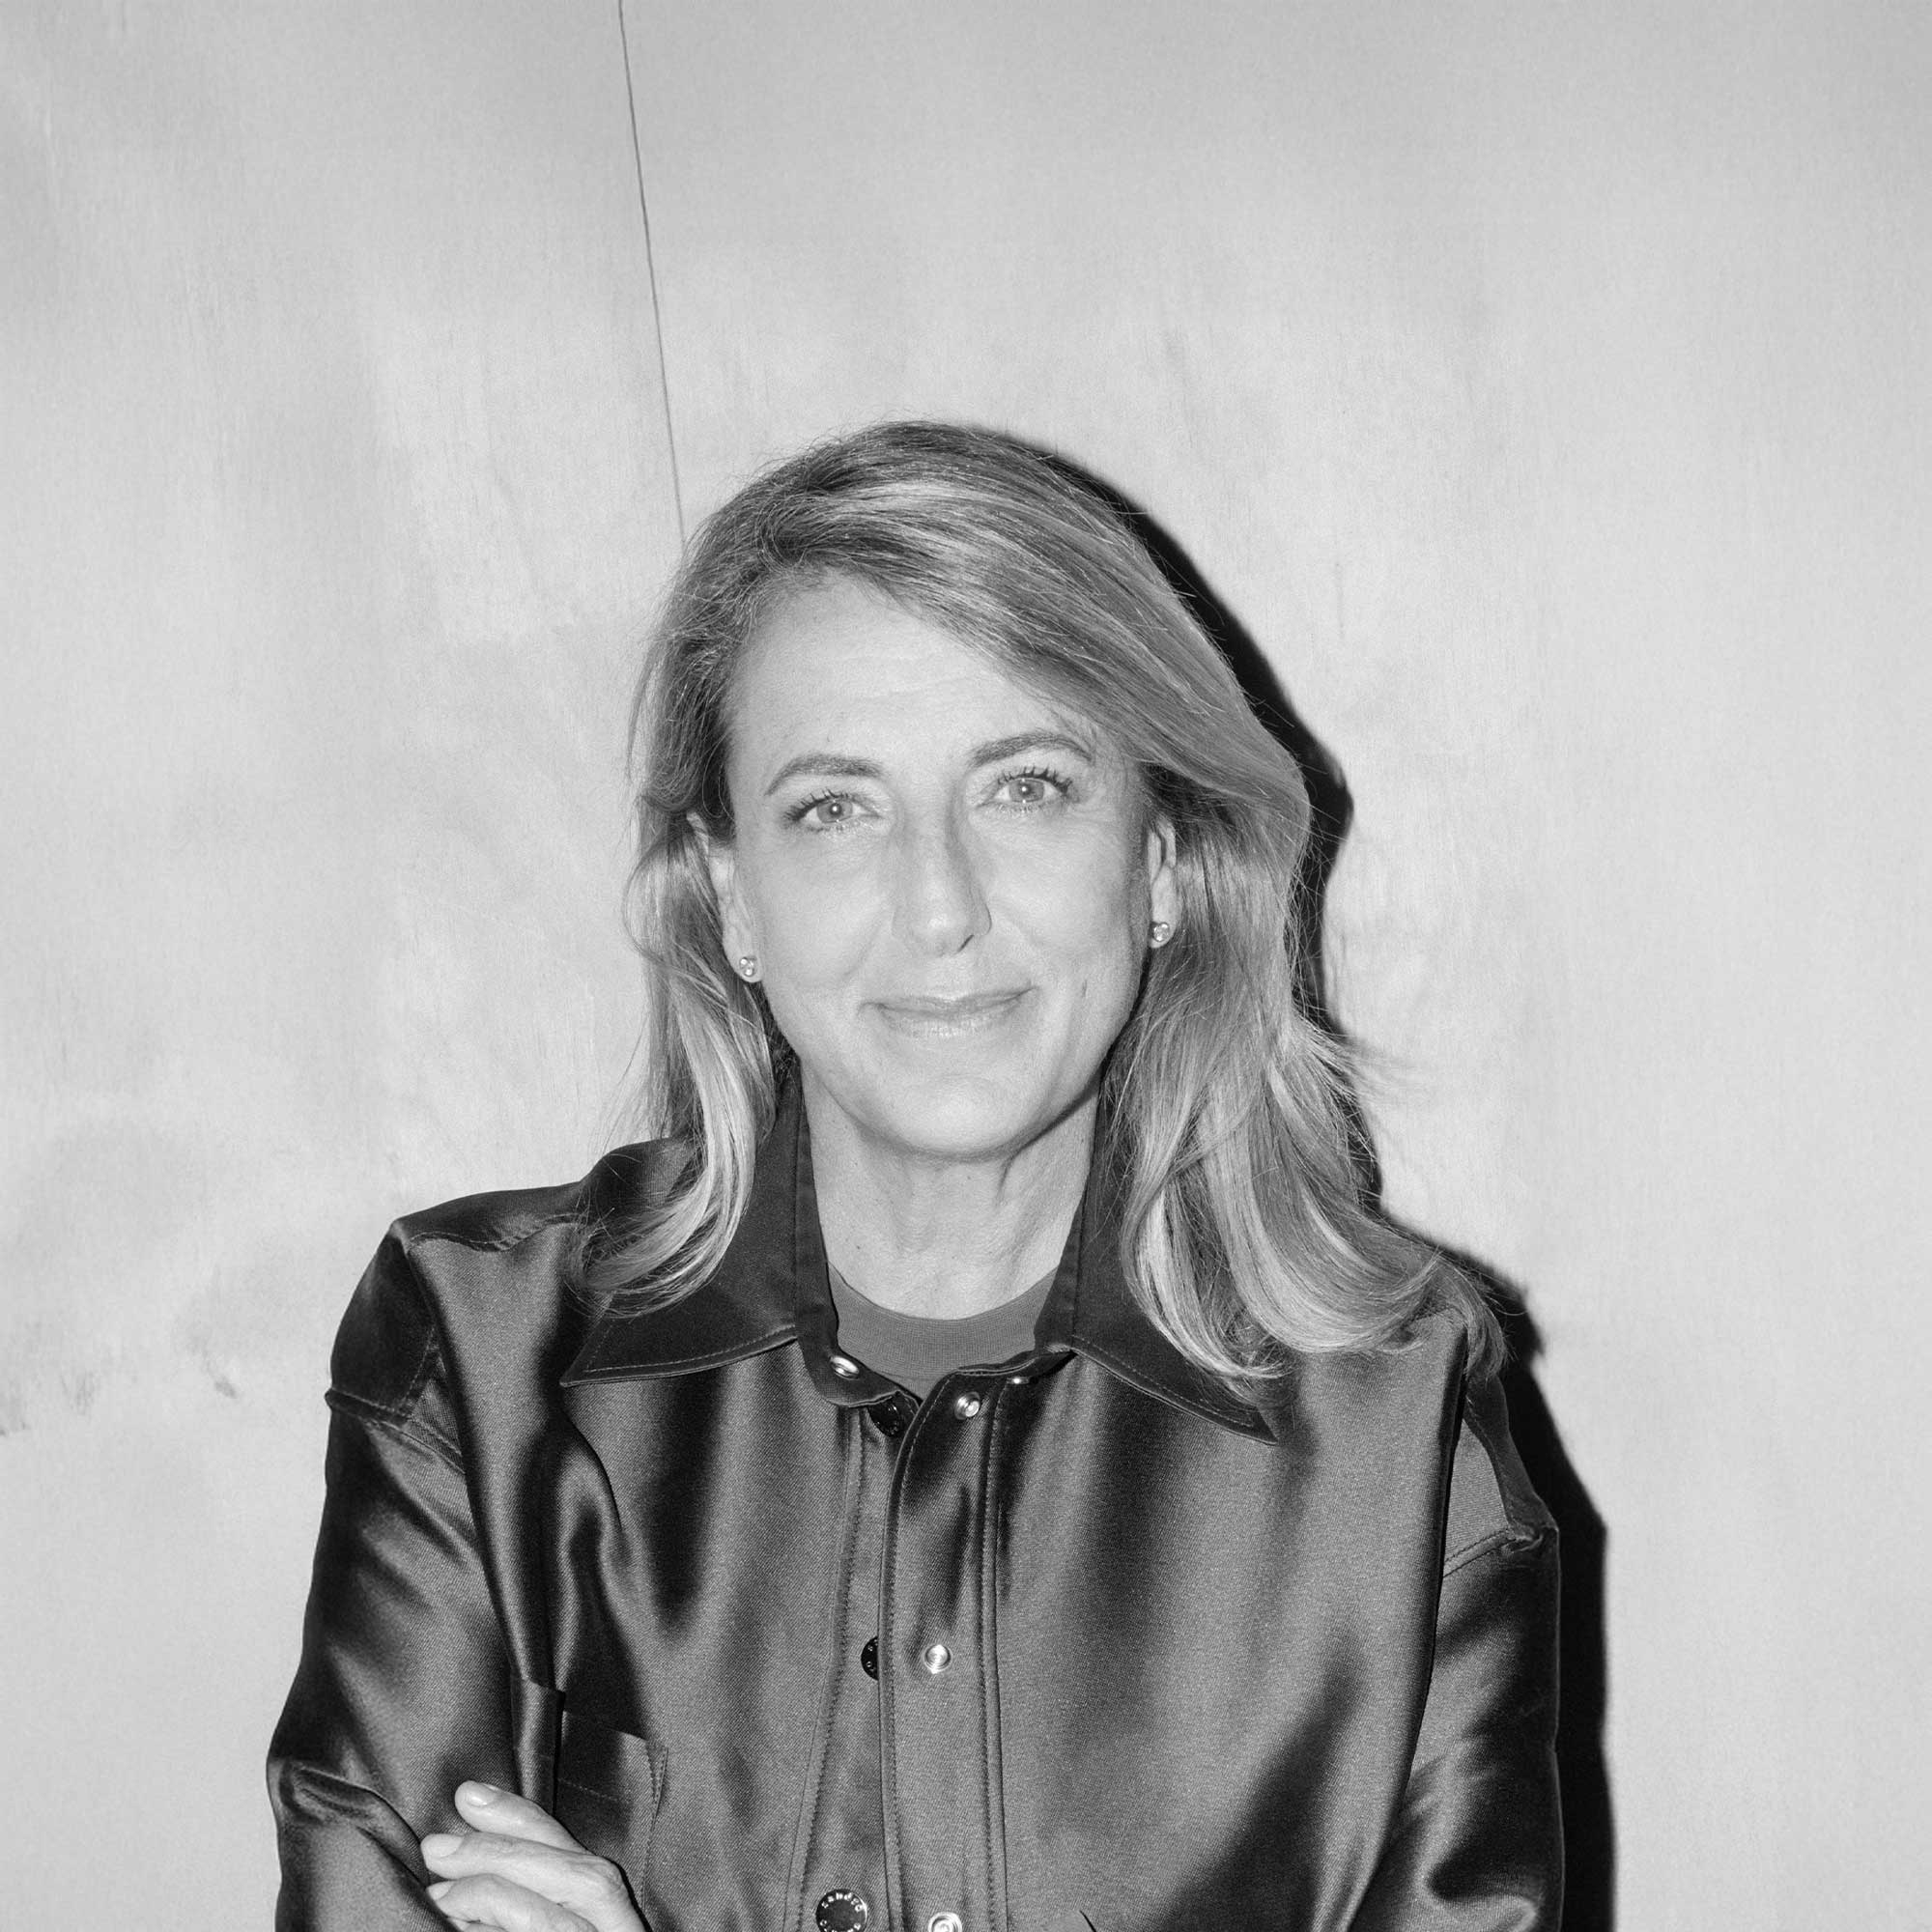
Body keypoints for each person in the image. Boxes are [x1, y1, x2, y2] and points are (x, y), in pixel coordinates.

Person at [269, 421, 1561, 1932]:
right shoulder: (477, 1358)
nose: (939, 906)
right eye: (836, 808)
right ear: (731, 898)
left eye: (1026, 788)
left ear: (1160, 863)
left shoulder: (1402, 1418)